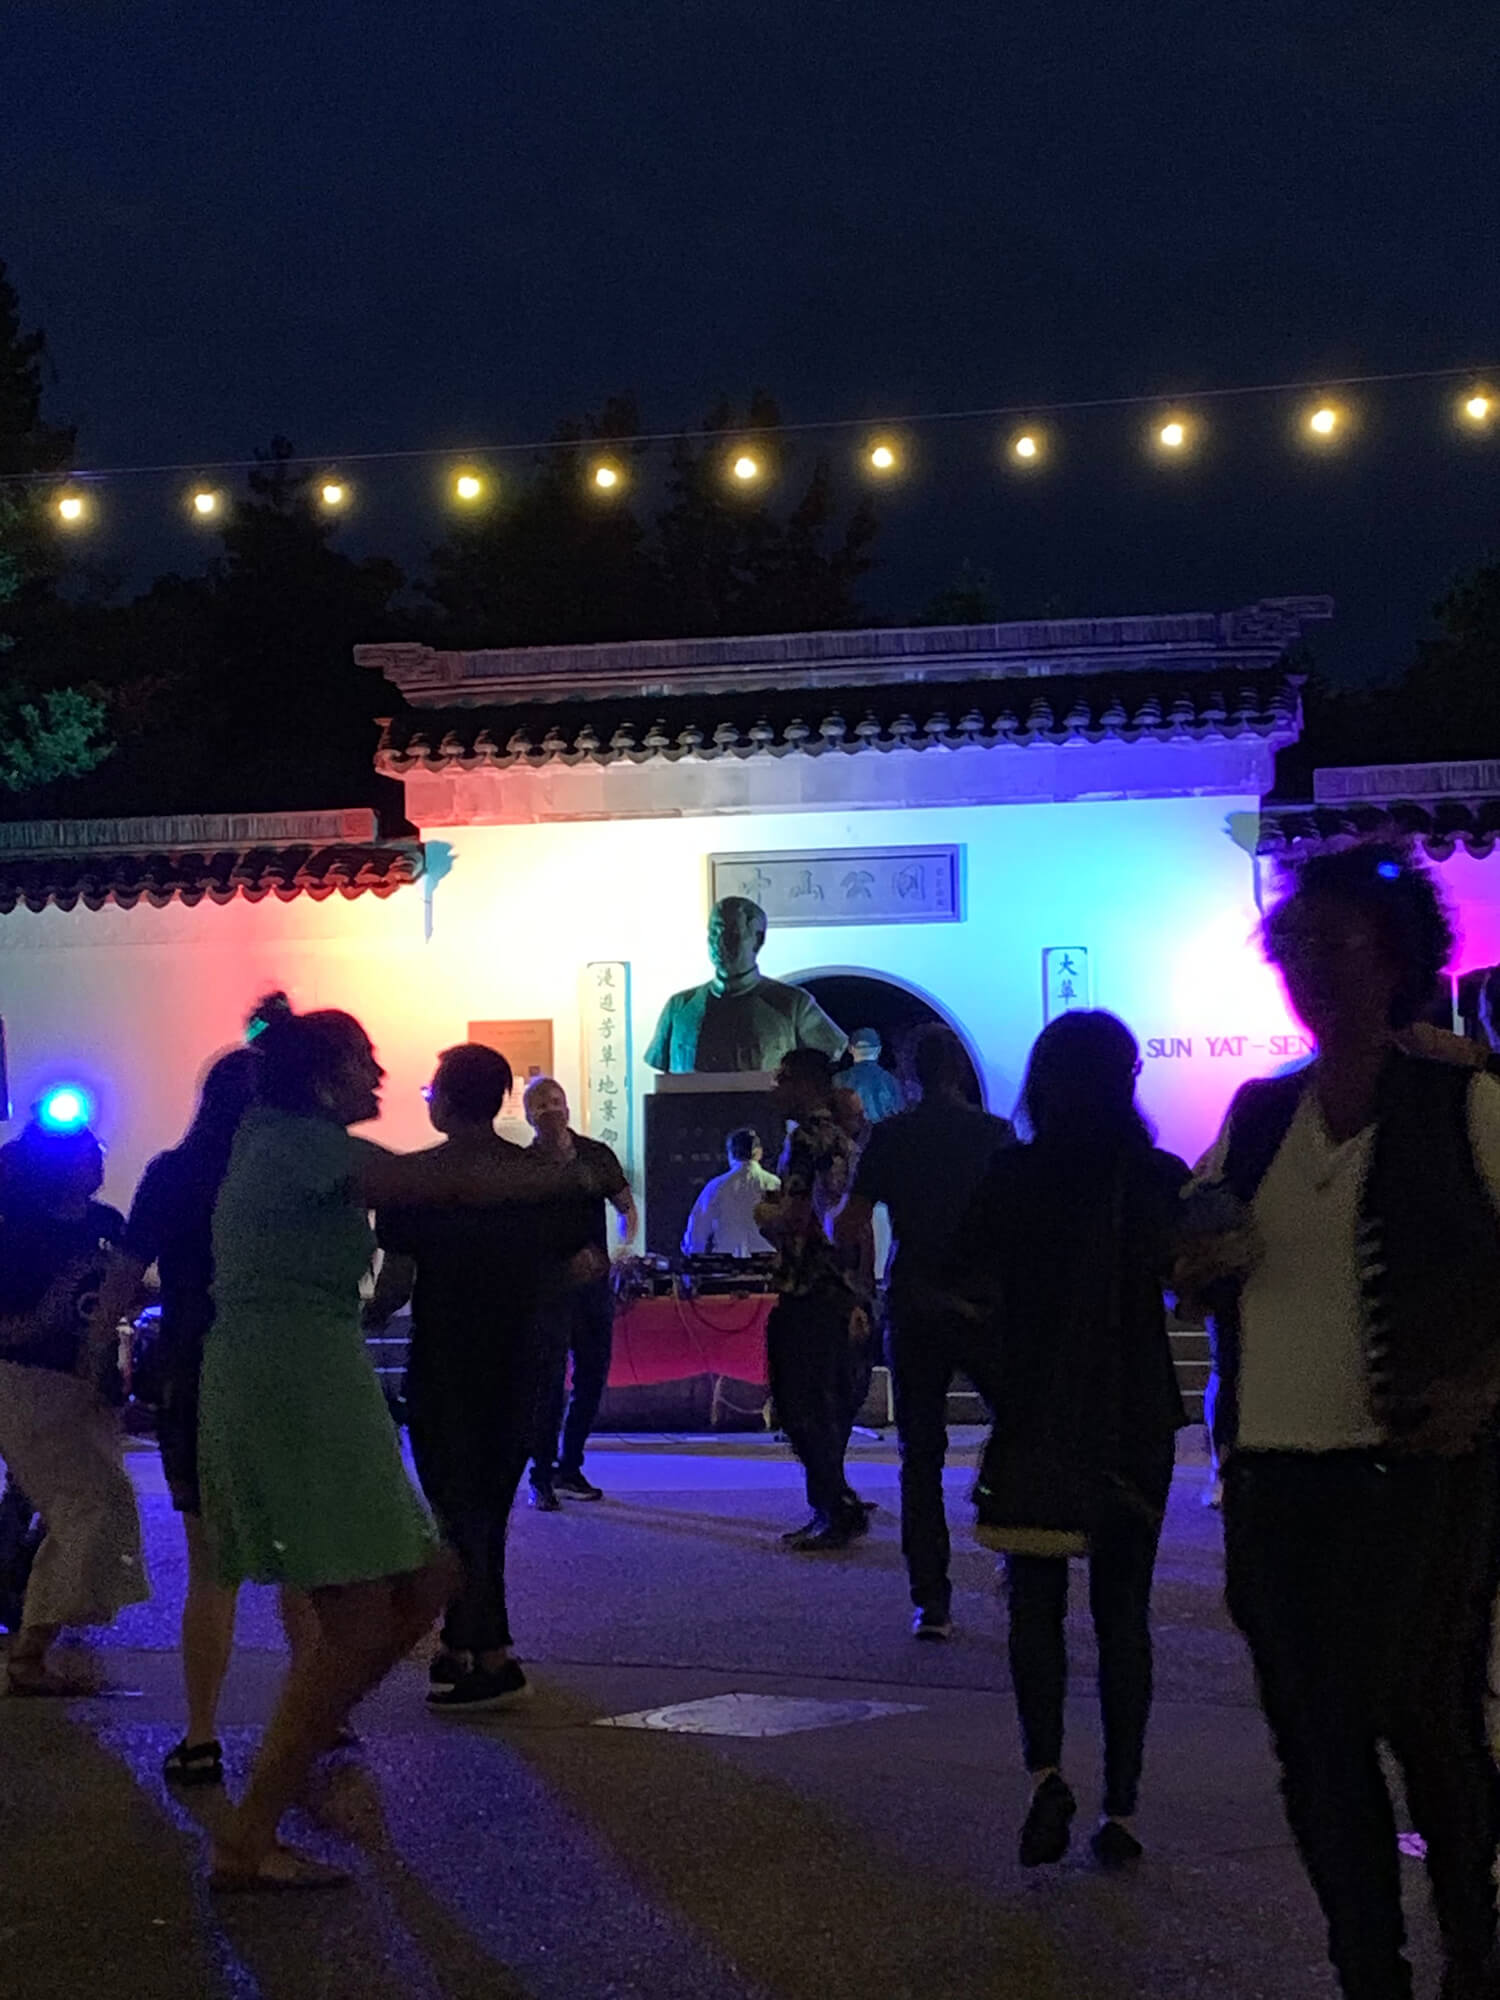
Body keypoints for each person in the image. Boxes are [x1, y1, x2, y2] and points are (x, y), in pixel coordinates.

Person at [1180, 844, 1500, 2000]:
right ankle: (1367, 1961)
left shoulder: (1465, 1102)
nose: (1308, 966)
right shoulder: (1261, 1113)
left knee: (1422, 1711)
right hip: (1275, 1470)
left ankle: (1473, 1942)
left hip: (1415, 1468)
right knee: (1313, 1735)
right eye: (1292, 945)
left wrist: (1483, 1384)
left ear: (1397, 956)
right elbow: (1195, 1238)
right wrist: (1197, 1257)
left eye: (1334, 942)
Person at [198, 995, 607, 1890]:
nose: (381, 1075)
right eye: (363, 1060)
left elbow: (435, 1185)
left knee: (426, 1578)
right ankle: (257, 1820)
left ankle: (296, 1760)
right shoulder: (297, 1144)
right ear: (322, 1078)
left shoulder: (283, 1141)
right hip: (298, 1379)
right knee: (370, 1610)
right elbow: (446, 1183)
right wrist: (561, 1169)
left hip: (308, 1371)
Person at [956, 1012, 1188, 1870]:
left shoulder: (1012, 1175)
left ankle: (1046, 1773)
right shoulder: (1155, 1176)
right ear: (1127, 1080)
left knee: (1036, 1606)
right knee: (1124, 1616)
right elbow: (1191, 1279)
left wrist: (1006, 1384)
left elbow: (960, 1282)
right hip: (1134, 1416)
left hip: (1039, 1414)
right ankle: (1121, 1810)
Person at [88, 1048, 322, 1785]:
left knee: (210, 1565)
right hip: (284, 1368)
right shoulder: (292, 1174)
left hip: (196, 1370)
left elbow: (125, 1276)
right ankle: (317, 1717)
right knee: (299, 1560)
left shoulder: (173, 1173)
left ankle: (200, 1737)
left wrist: (96, 1355)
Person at [365, 1044, 603, 1712]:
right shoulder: (541, 1179)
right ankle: (468, 1644)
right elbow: (581, 1264)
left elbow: (396, 1284)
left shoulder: (416, 1182)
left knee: (453, 1503)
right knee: (488, 1505)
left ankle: (484, 1650)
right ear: (500, 1100)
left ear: (444, 1100)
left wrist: (348, 1316)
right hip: (522, 1356)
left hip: (443, 1359)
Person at [835, 1024, 1013, 1638]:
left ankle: (931, 1601)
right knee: (1014, 1427)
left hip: (915, 1303)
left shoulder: (892, 1136)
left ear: (907, 1074)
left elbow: (849, 1224)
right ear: (960, 1071)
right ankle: (1013, 1546)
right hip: (986, 1304)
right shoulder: (995, 1134)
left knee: (920, 1455)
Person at [0, 1120, 147, 1694]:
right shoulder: (19, 1233)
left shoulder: (106, 1225)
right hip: (30, 1382)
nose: (96, 1160)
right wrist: (45, 1318)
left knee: (91, 1506)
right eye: (84, 1152)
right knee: (90, 1506)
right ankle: (29, 1649)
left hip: (90, 1387)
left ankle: (41, 1632)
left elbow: (126, 1292)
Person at [755, 1047, 874, 1551]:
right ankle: (832, 1501)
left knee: (798, 1402)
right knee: (829, 1401)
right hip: (841, 1285)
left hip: (807, 1285)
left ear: (805, 1084)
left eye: (783, 1079)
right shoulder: (845, 1140)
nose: (775, 1089)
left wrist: (764, 1214)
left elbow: (795, 1217)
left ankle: (835, 1507)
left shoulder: (804, 1139)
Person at [523, 1076, 636, 1508]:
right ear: (529, 1115)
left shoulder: (596, 1155)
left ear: (568, 1107)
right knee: (548, 1382)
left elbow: (625, 1207)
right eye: (540, 1105)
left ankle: (570, 1466)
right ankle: (541, 1474)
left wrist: (622, 1249)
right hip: (547, 1290)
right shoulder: (523, 1165)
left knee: (592, 1376)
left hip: (594, 1286)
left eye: (555, 1101)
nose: (550, 1110)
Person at [645, 895, 846, 1073]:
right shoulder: (679, 1007)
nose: (719, 943)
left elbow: (835, 1054)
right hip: (689, 1105)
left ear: (757, 939)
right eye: (713, 933)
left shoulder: (793, 1005)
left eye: (731, 935)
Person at [681, 1127, 779, 1258]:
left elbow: (697, 1228)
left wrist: (693, 1254)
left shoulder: (716, 1186)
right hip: (768, 1262)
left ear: (730, 1153)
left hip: (727, 1264)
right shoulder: (774, 1184)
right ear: (759, 1152)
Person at [841, 1029, 904, 1126]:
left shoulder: (839, 1080)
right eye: (862, 1047)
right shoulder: (891, 1082)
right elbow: (899, 1113)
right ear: (878, 1050)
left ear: (850, 1049)